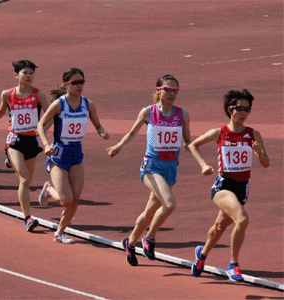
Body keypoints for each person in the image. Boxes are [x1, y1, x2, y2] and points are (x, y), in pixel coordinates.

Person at [107, 74, 191, 266]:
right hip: (151, 167)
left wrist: (199, 153)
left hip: (170, 168)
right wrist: (118, 146)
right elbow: (131, 133)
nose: (171, 93)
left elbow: (188, 142)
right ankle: (150, 238)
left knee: (149, 212)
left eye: (175, 90)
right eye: (167, 89)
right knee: (169, 204)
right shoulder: (148, 112)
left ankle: (129, 242)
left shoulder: (182, 114)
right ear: (158, 90)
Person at [188, 89, 269, 282]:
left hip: (242, 189)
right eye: (240, 108)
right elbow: (192, 145)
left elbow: (266, 164)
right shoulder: (220, 132)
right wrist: (203, 165)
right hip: (223, 187)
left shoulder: (254, 134)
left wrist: (259, 153)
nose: (243, 113)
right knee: (242, 219)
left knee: (218, 227)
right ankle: (233, 264)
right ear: (230, 109)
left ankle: (202, 255)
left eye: (247, 109)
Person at [37, 67, 109, 244]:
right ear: (65, 85)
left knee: (75, 199)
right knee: (65, 199)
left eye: (81, 82)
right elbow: (41, 125)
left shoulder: (88, 104)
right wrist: (46, 144)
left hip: (77, 154)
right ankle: (48, 189)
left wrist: (102, 132)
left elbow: (97, 124)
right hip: (59, 154)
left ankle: (59, 232)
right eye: (74, 83)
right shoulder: (59, 104)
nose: (79, 86)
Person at [0, 59, 49, 230]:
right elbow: (1, 111)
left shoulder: (39, 95)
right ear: (16, 75)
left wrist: (43, 129)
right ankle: (28, 218)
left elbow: (50, 115)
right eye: (25, 73)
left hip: (32, 140)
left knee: (27, 181)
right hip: (15, 140)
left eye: (32, 73)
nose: (29, 76)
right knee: (24, 178)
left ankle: (11, 162)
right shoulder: (7, 94)